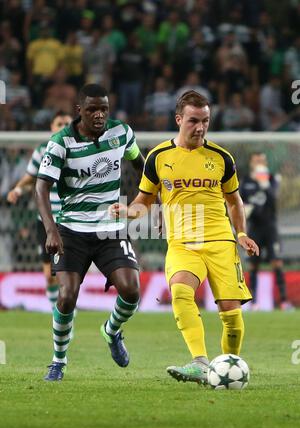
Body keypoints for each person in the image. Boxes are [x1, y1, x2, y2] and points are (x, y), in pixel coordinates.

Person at [109, 91, 259, 384]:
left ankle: (228, 369)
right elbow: (145, 200)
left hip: (220, 242)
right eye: (193, 120)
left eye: (205, 121)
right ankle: (201, 363)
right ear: (179, 119)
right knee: (180, 292)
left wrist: (240, 232)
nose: (200, 127)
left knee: (231, 315)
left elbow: (234, 200)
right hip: (182, 244)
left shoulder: (221, 158)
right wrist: (128, 211)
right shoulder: (158, 157)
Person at [36, 84, 144, 381]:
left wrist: (140, 203)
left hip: (110, 228)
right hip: (71, 229)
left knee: (132, 289)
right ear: (79, 111)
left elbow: (141, 167)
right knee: (67, 297)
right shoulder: (61, 142)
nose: (99, 115)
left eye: (104, 109)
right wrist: (51, 231)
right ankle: (58, 360)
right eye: (93, 109)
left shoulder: (121, 133)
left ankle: (112, 331)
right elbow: (40, 187)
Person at [7, 111, 72, 309]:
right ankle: (56, 310)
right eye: (59, 123)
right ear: (52, 127)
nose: (63, 126)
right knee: (49, 274)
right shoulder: (42, 150)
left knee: (68, 271)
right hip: (46, 219)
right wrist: (18, 189)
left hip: (70, 218)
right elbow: (29, 179)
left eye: (66, 123)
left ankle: (66, 307)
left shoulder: (79, 150)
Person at [240, 152, 292, 310]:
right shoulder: (246, 181)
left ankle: (283, 301)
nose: (260, 163)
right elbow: (240, 201)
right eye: (257, 160)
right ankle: (254, 302)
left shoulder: (272, 179)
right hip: (254, 228)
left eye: (262, 160)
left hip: (270, 227)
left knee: (276, 262)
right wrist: (246, 210)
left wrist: (265, 186)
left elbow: (274, 198)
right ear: (251, 163)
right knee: (253, 265)